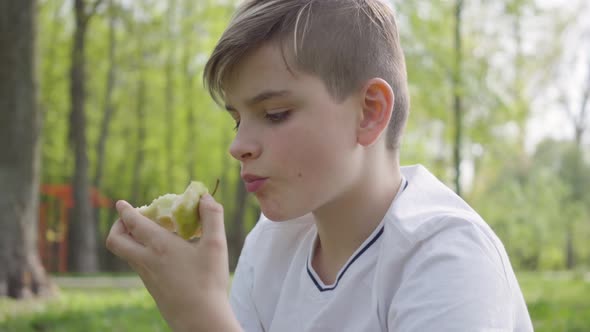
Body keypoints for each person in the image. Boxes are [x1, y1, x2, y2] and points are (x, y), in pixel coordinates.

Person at [106, 0, 534, 331]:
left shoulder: (447, 257)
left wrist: (201, 317)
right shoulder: (271, 245)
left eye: (274, 114)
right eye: (237, 119)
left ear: (369, 112)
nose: (237, 146)